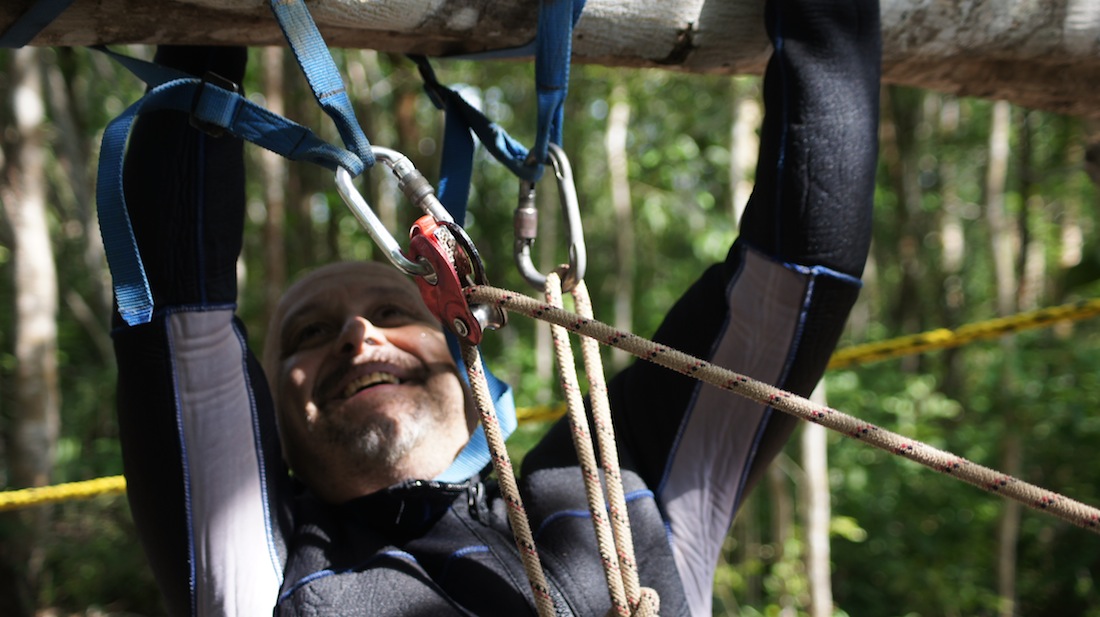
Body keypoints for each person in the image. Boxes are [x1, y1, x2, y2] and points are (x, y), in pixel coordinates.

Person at [110, 0, 881, 614]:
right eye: (308, 334)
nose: (357, 333)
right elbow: (179, 316)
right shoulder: (268, 573)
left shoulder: (615, 488)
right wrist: (213, 24)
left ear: (463, 340)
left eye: (392, 308)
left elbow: (799, 265)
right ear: (270, 422)